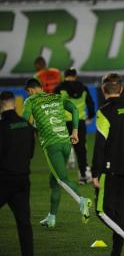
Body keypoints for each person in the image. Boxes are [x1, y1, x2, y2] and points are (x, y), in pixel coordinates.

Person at [22, 78, 92, 227]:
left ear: (30, 90)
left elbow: (23, 121)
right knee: (53, 182)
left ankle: (82, 200)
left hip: (51, 144)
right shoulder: (56, 96)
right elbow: (74, 109)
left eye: (28, 91)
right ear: (42, 87)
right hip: (65, 142)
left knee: (61, 179)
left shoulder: (30, 101)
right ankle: (51, 217)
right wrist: (74, 131)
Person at [92, 73, 124, 256]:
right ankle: (116, 253)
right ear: (121, 89)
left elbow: (100, 144)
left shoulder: (104, 111)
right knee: (120, 216)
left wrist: (95, 173)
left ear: (103, 89)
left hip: (110, 170)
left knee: (102, 211)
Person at [0, 91, 35, 256]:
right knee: (24, 223)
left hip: (4, 180)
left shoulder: (2, 127)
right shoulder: (27, 125)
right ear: (15, 104)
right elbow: (30, 154)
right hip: (22, 180)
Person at [54, 68, 95, 184]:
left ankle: (60, 178)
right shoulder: (83, 88)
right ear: (75, 76)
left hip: (63, 123)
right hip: (79, 123)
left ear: (64, 75)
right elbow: (91, 105)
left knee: (61, 150)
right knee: (81, 150)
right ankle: (83, 176)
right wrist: (90, 117)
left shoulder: (59, 89)